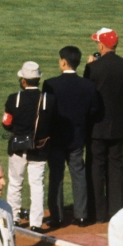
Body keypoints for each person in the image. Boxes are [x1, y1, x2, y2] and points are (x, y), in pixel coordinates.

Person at [42, 46, 95, 227]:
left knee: (56, 176)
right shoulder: (88, 85)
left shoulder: (50, 84)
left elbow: (46, 112)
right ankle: (81, 215)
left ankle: (57, 216)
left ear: (64, 61)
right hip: (78, 138)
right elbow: (93, 111)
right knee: (78, 175)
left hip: (56, 138)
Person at [83, 29, 123, 223]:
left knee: (96, 166)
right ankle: (116, 210)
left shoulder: (94, 68)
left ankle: (98, 212)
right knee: (116, 166)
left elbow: (88, 93)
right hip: (118, 122)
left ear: (102, 45)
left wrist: (89, 67)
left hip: (96, 125)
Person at [0, 61, 53, 230]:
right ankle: (36, 223)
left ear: (23, 81)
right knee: (37, 186)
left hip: (17, 149)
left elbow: (6, 123)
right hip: (39, 150)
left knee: (15, 183)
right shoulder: (48, 100)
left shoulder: (13, 99)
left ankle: (13, 218)